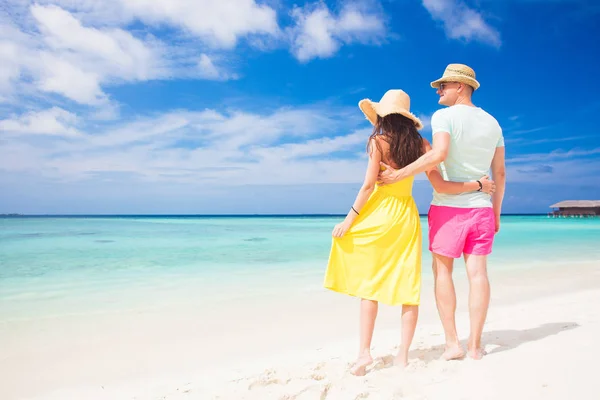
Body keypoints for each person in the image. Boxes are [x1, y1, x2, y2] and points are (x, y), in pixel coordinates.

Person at [323, 89, 495, 376]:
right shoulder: (422, 144)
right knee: (408, 287)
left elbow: (367, 186)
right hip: (405, 217)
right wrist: (476, 184)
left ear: (383, 116)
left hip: (378, 214)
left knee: (370, 286)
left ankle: (364, 354)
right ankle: (402, 356)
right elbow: (440, 185)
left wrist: (348, 221)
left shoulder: (377, 141)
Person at [379, 64, 506, 360]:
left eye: (443, 86)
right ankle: (475, 346)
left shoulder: (444, 116)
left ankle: (453, 344)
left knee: (443, 272)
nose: (438, 91)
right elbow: (499, 173)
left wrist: (399, 175)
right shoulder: (493, 123)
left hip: (448, 208)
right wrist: (496, 211)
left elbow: (439, 154)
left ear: (460, 87)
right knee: (478, 275)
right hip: (482, 208)